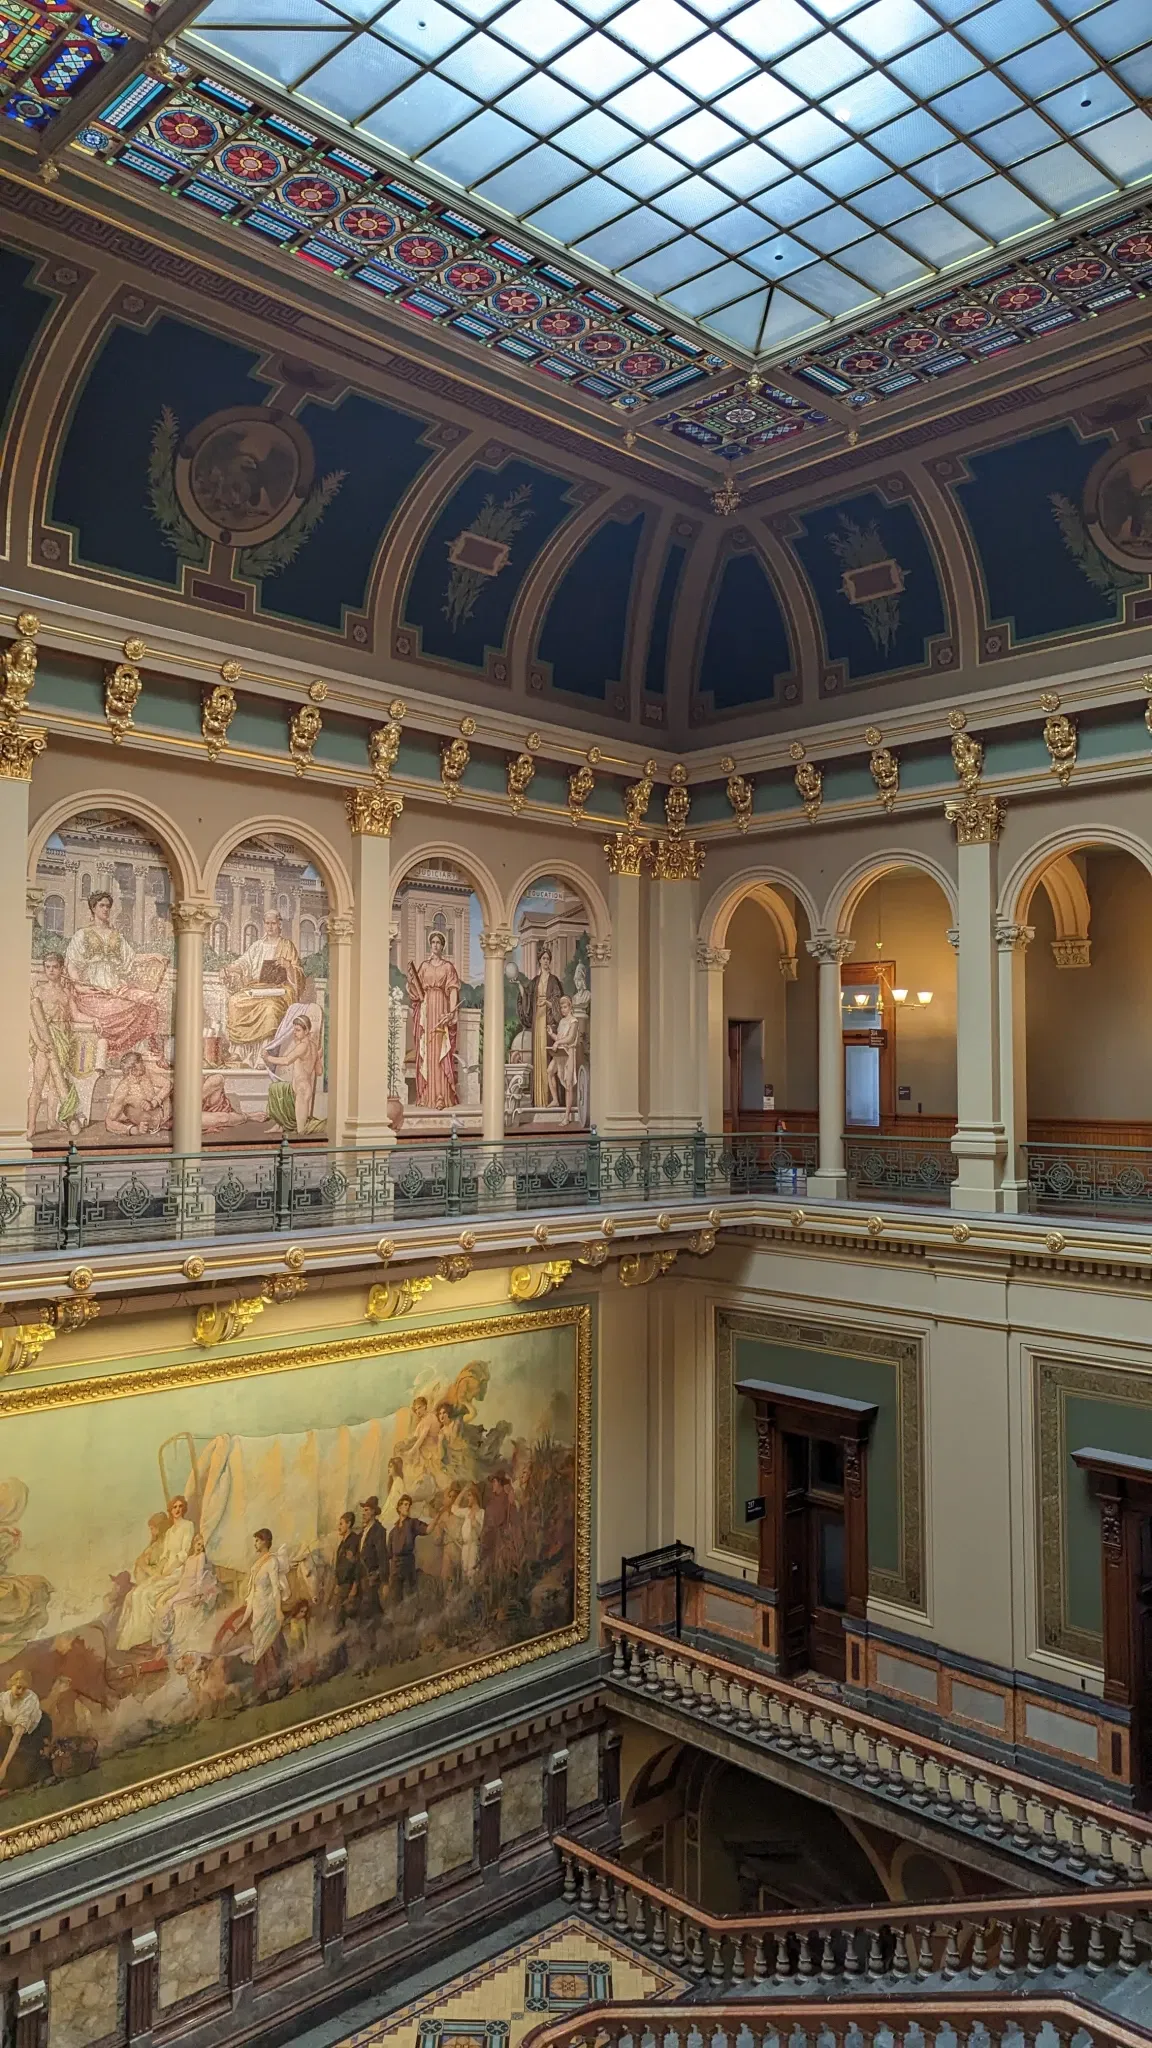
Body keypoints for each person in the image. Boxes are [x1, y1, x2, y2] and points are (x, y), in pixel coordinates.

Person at [63, 890, 165, 1060]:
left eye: (108, 906)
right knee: (114, 1009)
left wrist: (153, 955)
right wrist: (80, 986)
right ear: (93, 908)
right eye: (101, 906)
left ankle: (153, 1050)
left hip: (116, 987)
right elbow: (73, 964)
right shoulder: (81, 935)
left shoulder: (116, 936)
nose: (106, 909)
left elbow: (131, 959)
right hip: (92, 993)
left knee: (150, 1001)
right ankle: (113, 1051)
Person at [221, 911, 304, 1065]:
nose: (270, 927)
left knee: (270, 1007)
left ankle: (264, 1054)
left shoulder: (287, 946)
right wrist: (230, 968)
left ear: (279, 924)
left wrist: (288, 966)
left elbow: (298, 972)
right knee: (235, 1001)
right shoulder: (257, 946)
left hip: (279, 990)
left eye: (273, 923)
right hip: (257, 988)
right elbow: (244, 962)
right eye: (267, 923)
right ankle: (240, 1051)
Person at [405, 931, 460, 1110]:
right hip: (427, 1011)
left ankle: (441, 1097)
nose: (435, 945)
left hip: (441, 1009)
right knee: (427, 1051)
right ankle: (427, 1095)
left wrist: (451, 1013)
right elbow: (417, 991)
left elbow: (452, 991)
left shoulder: (448, 967)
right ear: (430, 944)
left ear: (443, 946)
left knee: (440, 1051)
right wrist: (410, 980)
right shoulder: (424, 966)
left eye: (439, 942)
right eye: (433, 942)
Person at [28, 953, 81, 1136]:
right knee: (38, 1083)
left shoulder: (66, 993)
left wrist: (95, 1021)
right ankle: (31, 1126)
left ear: (61, 969)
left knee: (55, 1085)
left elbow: (75, 1015)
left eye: (54, 967)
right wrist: (39, 1042)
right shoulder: (39, 991)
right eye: (47, 967)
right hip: (46, 1041)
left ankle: (51, 1122)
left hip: (62, 1040)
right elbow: (31, 1020)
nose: (51, 970)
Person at [517, 942, 564, 1109]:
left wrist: (549, 1003)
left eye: (548, 959)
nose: (546, 961)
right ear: (539, 961)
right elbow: (527, 1001)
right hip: (538, 1022)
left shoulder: (554, 981)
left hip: (549, 1023)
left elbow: (560, 1003)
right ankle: (538, 1099)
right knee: (538, 1058)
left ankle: (552, 1098)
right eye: (543, 958)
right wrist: (521, 990)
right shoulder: (535, 981)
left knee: (548, 1057)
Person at [262, 1013, 322, 1134]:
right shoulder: (313, 1047)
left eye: (298, 1030)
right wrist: (317, 1058)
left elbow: (286, 1060)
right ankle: (280, 1125)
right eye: (294, 1030)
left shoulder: (302, 1047)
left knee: (300, 1131)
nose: (294, 1033)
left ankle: (295, 1139)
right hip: (303, 1087)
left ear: (306, 1031)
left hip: (301, 1090)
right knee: (276, 1088)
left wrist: (268, 1058)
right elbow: (319, 1072)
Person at [0, 1671, 51, 1792]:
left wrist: (3, 1768)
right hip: (11, 1731)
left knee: (22, 1770)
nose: (21, 1692)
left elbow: (17, 1737)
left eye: (24, 1689)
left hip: (35, 1733)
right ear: (11, 1684)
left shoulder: (30, 1700)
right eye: (18, 1687)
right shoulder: (2, 1699)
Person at [104, 1051, 172, 1137]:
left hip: (167, 1119)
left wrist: (154, 1102)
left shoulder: (146, 1074)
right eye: (141, 1062)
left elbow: (168, 1084)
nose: (144, 1064)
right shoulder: (123, 1089)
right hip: (151, 1126)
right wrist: (133, 1130)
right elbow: (109, 1122)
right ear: (133, 1068)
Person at [547, 996, 585, 1120]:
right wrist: (552, 1034)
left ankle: (567, 1116)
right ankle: (555, 1100)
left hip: (569, 1053)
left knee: (568, 1084)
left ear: (570, 1007)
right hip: (560, 1053)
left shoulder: (574, 1021)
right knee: (549, 1071)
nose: (563, 1010)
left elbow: (570, 1038)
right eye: (561, 1007)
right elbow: (560, 1037)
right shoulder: (562, 1022)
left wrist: (558, 1043)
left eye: (565, 1007)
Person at [385, 1496, 428, 1604]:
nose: (407, 1507)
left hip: (407, 1564)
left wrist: (438, 1518)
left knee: (410, 1597)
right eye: (404, 1504)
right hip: (395, 1567)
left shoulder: (412, 1523)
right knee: (395, 1598)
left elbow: (427, 1530)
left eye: (409, 1505)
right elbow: (389, 1555)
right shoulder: (393, 1531)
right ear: (399, 1508)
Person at [357, 1496, 387, 1614]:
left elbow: (382, 1555)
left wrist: (384, 1581)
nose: (364, 1513)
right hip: (362, 1577)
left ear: (373, 1512)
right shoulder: (363, 1532)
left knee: (370, 1610)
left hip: (372, 1577)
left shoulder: (379, 1531)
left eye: (367, 1510)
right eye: (363, 1510)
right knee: (371, 1610)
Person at [331, 1511, 360, 1628]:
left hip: (349, 1584)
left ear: (348, 1524)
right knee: (339, 1613)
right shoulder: (342, 1544)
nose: (339, 1527)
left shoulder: (354, 1540)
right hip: (342, 1584)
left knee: (344, 1613)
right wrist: (337, 1583)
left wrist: (354, 1586)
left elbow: (356, 1565)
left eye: (341, 1524)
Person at [454, 1485, 484, 1581]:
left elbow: (481, 1532)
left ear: (475, 1497)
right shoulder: (467, 1511)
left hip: (474, 1546)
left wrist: (474, 1522)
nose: (467, 1498)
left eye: (469, 1495)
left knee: (472, 1573)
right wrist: (464, 1490)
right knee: (464, 1574)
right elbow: (454, 1508)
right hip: (465, 1547)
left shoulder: (482, 1512)